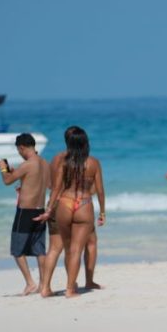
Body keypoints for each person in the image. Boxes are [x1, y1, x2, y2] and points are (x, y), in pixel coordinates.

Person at [35, 127, 105, 298]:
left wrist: (48, 210)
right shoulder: (93, 162)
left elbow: (56, 188)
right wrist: (103, 212)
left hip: (64, 204)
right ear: (85, 142)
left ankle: (51, 286)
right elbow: (101, 190)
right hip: (84, 204)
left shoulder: (63, 162)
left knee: (65, 249)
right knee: (76, 250)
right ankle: (70, 289)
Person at [0, 133, 51, 295]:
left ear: (22, 147)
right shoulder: (45, 163)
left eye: (19, 151)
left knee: (17, 250)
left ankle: (30, 283)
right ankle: (43, 284)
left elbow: (7, 181)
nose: (19, 154)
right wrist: (24, 183)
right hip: (40, 210)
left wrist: (3, 168)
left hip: (25, 212)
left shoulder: (27, 164)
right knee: (39, 250)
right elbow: (45, 184)